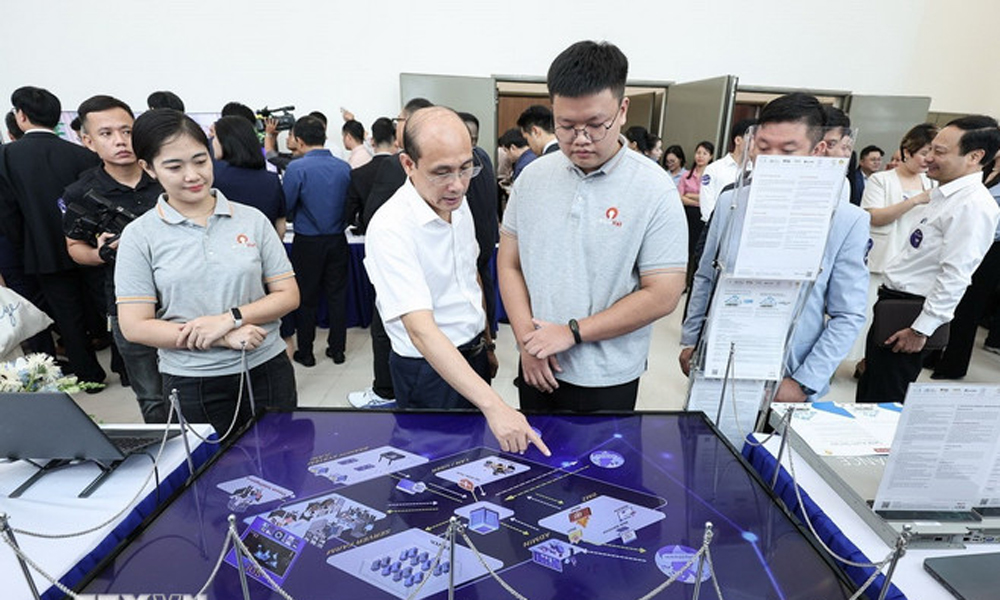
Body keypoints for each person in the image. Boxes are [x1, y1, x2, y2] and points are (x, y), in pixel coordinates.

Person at [499, 40, 687, 411]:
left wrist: (572, 333)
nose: (581, 140)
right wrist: (526, 341)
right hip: (536, 363)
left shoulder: (654, 188)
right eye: (566, 126)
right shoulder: (532, 179)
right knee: (535, 448)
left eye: (596, 125)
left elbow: (664, 292)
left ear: (622, 110)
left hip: (607, 375)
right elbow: (509, 264)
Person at [365, 106, 549, 456]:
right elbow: (421, 331)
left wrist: (487, 343)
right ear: (408, 164)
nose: (458, 185)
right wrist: (495, 405)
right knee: (434, 463)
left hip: (473, 354)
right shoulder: (390, 228)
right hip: (428, 371)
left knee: (472, 457)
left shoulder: (456, 204)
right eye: (441, 172)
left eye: (466, 168)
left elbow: (471, 276)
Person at [116, 109, 299, 436]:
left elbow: (288, 295)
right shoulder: (140, 235)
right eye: (174, 167)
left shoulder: (252, 220)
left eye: (200, 161)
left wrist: (231, 318)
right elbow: (135, 325)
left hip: (266, 369)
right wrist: (221, 337)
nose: (192, 175)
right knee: (210, 464)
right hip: (192, 381)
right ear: (148, 168)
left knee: (281, 455)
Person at [680, 92, 870, 402]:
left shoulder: (847, 220)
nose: (770, 158)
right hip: (719, 360)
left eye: (788, 150)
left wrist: (804, 382)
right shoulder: (731, 202)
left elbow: (847, 315)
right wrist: (691, 341)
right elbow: (705, 276)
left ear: (817, 150)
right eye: (763, 147)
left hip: (789, 376)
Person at [857, 116, 1000, 402]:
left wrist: (920, 329)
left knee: (885, 401)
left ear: (974, 157)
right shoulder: (943, 194)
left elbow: (956, 275)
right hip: (895, 303)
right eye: (930, 149)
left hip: (911, 315)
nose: (929, 158)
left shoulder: (972, 205)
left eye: (940, 152)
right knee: (871, 390)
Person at [62, 95, 165, 420]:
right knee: (151, 395)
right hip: (127, 305)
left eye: (127, 131)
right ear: (87, 141)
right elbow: (74, 247)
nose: (120, 141)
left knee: (197, 387)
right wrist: (101, 253)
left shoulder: (166, 175)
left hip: (184, 297)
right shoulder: (81, 193)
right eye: (106, 133)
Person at [0, 86, 105, 385]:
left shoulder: (7, 157)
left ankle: (89, 375)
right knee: (103, 307)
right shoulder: (81, 154)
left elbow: (7, 211)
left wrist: (25, 246)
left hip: (42, 251)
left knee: (67, 317)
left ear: (21, 116)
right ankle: (124, 370)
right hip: (89, 248)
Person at [347, 97, 434, 409]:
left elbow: (373, 216)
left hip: (408, 270)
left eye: (399, 119)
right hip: (433, 273)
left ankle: (385, 391)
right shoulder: (470, 160)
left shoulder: (395, 166)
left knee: (389, 325)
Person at [283, 116, 352, 367]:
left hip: (308, 241)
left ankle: (307, 352)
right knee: (337, 296)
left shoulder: (296, 168)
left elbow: (287, 206)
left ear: (299, 140)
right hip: (337, 239)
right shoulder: (343, 167)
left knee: (307, 298)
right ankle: (338, 350)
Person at [932, 152, 1000, 379]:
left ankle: (953, 364)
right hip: (963, 239)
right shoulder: (984, 171)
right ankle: (934, 352)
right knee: (951, 300)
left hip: (991, 249)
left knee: (969, 307)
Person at [211, 116, 286, 236]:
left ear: (226, 142)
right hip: (263, 244)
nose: (212, 142)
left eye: (215, 137)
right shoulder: (272, 180)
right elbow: (280, 226)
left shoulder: (214, 180)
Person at [344, 117, 396, 232]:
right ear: (395, 141)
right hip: (400, 232)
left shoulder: (358, 174)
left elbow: (350, 212)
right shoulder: (405, 172)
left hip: (368, 232)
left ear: (372, 141)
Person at [699, 119, 755, 222]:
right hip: (717, 225)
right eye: (752, 139)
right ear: (738, 140)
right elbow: (707, 204)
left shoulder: (754, 170)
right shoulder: (714, 169)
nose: (755, 144)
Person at [677, 141, 714, 287]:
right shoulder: (686, 176)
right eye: (698, 152)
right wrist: (698, 198)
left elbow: (710, 197)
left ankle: (693, 282)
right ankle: (681, 283)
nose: (700, 156)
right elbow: (679, 197)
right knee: (684, 249)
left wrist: (690, 195)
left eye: (705, 153)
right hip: (686, 215)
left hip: (702, 216)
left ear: (711, 156)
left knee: (697, 250)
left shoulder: (711, 176)